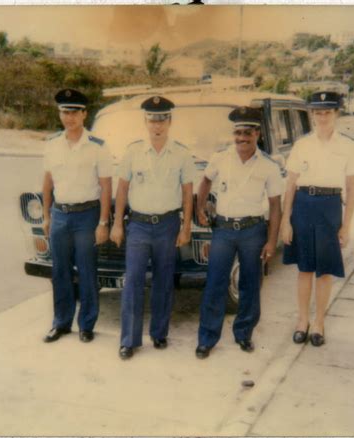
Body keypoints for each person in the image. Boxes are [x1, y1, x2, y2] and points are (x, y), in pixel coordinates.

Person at [110, 96, 194, 360]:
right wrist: (116, 223)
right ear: (144, 121)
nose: (157, 125)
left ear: (170, 121)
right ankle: (129, 340)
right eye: (152, 119)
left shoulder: (181, 153)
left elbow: (188, 191)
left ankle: (159, 333)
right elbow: (122, 188)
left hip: (168, 225)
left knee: (163, 281)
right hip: (138, 225)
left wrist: (186, 227)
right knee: (133, 280)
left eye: (162, 119)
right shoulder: (133, 151)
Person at [195, 106, 283, 359]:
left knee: (250, 284)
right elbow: (205, 180)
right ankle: (207, 338)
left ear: (257, 134)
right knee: (215, 284)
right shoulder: (220, 158)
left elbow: (276, 206)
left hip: (253, 230)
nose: (242, 138)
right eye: (238, 133)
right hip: (223, 229)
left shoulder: (268, 166)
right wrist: (201, 208)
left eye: (247, 133)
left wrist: (271, 241)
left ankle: (244, 333)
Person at [280, 91, 354, 346]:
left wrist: (346, 225)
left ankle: (319, 323)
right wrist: (285, 221)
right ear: (312, 115)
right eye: (317, 112)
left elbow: (352, 188)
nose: (322, 117)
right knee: (304, 268)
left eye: (327, 112)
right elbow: (291, 185)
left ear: (336, 113)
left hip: (330, 207)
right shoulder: (302, 145)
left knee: (324, 270)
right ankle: (302, 320)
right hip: (303, 206)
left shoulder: (348, 146)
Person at [42, 88, 112, 343]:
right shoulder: (52, 144)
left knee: (86, 271)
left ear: (84, 114)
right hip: (60, 214)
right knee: (59, 271)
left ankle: (86, 325)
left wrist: (103, 222)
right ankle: (61, 323)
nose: (68, 117)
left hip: (86, 216)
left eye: (74, 112)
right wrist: (47, 217)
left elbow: (106, 186)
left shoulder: (98, 147)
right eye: (64, 112)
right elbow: (48, 182)